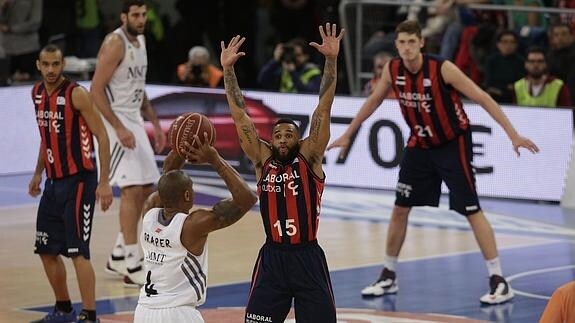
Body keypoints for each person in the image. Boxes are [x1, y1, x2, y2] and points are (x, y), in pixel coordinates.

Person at [327, 20, 539, 305]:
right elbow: (373, 102)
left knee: (471, 209)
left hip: (452, 144)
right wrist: (348, 134)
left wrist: (513, 134)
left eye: (411, 42)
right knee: (400, 209)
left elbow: (483, 97)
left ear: (421, 43)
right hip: (419, 145)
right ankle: (388, 273)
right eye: (401, 43)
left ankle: (498, 279)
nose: (406, 48)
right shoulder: (392, 69)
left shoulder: (442, 68)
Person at [221, 23, 345, 322]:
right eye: (278, 135)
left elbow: (323, 108)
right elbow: (240, 116)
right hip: (273, 258)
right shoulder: (263, 159)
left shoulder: (310, 155)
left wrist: (331, 60)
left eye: (289, 135)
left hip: (307, 257)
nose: (282, 139)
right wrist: (227, 70)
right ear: (271, 139)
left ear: (299, 138)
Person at [28, 44, 113, 323]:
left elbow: (102, 136)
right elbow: (46, 137)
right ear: (38, 65)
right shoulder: (37, 93)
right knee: (46, 250)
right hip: (52, 183)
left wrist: (104, 182)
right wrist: (38, 173)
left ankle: (90, 316)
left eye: (56, 64)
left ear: (63, 64)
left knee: (78, 252)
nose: (51, 70)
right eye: (46, 64)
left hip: (79, 182)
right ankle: (64, 309)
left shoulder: (77, 94)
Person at [133, 140, 258, 323]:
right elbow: (247, 198)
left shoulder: (149, 212)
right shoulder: (192, 225)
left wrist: (181, 146)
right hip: (177, 314)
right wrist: (214, 159)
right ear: (187, 195)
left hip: (143, 311)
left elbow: (166, 180)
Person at [90, 0, 166, 287]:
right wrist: (118, 128)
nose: (141, 19)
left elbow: (139, 88)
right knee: (133, 189)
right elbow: (95, 90)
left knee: (149, 188)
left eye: (144, 14)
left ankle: (119, 253)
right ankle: (133, 262)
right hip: (114, 120)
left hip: (133, 118)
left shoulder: (142, 41)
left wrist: (155, 124)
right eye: (135, 15)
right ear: (124, 16)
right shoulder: (115, 43)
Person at [257, 37, 321, 93]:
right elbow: (262, 80)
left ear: (306, 56)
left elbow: (311, 92)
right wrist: (275, 60)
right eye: (293, 55)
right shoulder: (283, 69)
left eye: (298, 55)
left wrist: (293, 73)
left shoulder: (313, 71)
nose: (294, 58)